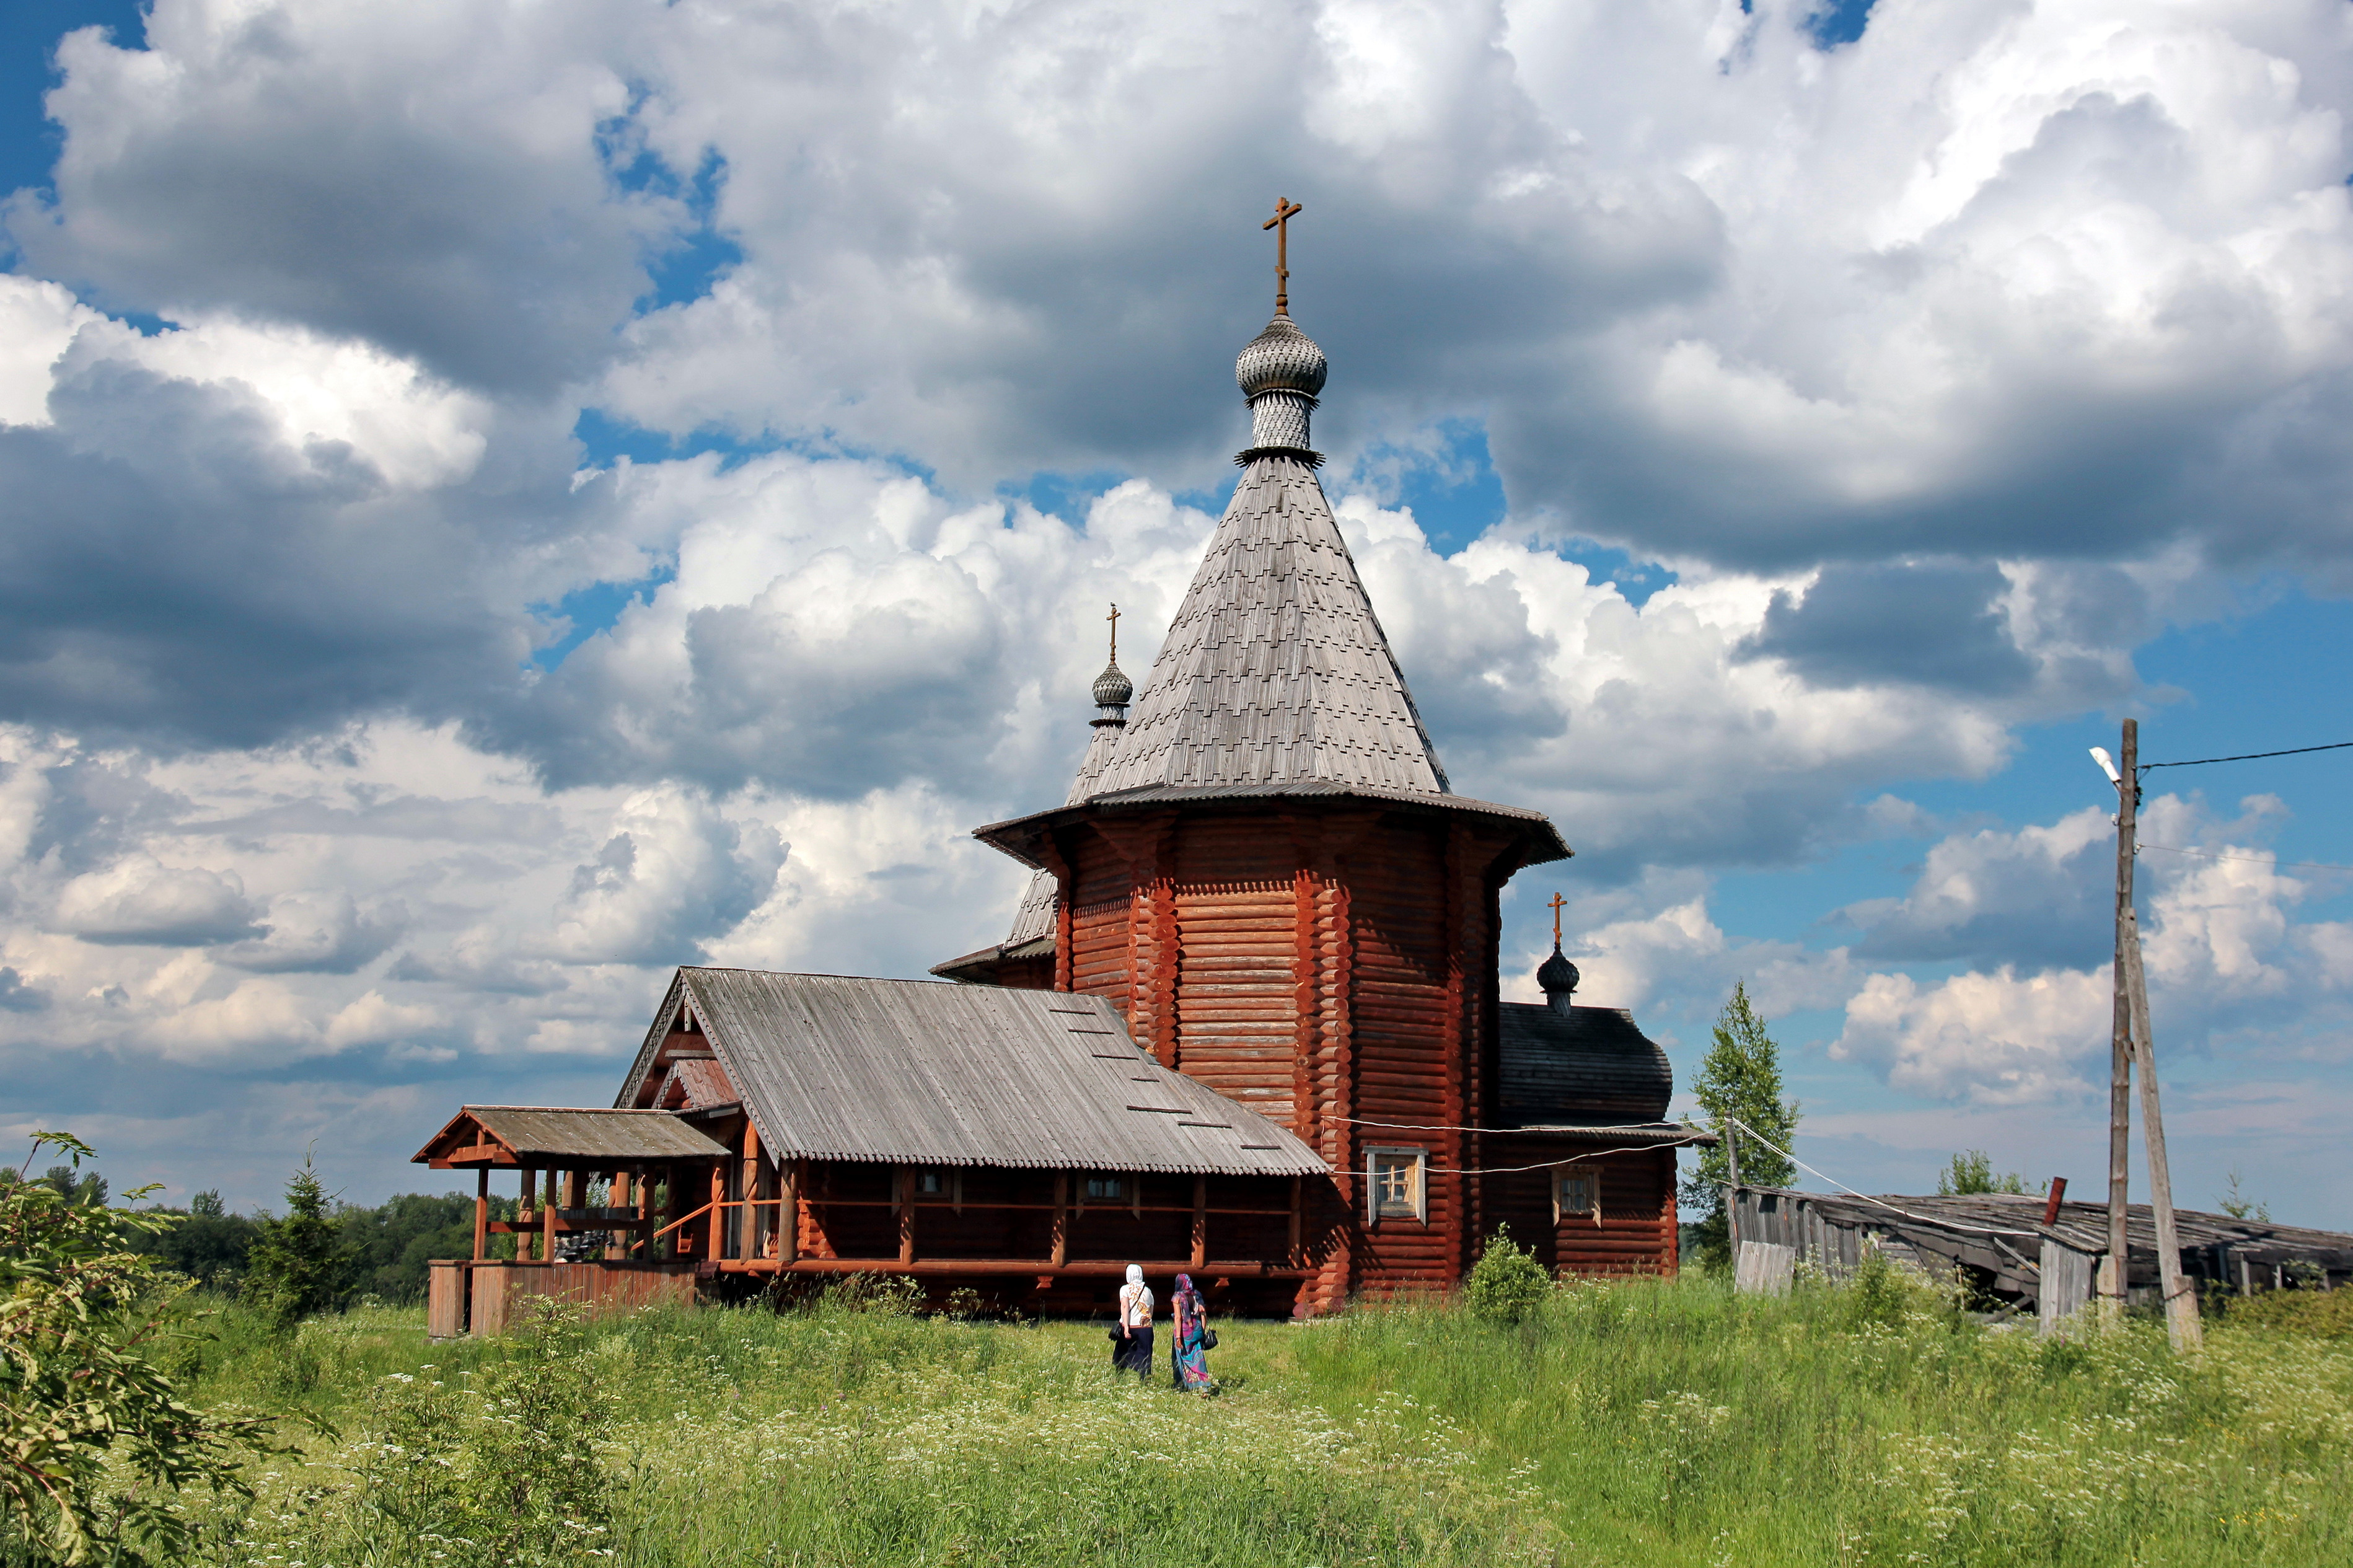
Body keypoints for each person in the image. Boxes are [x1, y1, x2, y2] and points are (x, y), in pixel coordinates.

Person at [1169, 1272, 1215, 1394]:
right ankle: (1204, 1386)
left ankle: (1183, 1385)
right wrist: (1202, 1330)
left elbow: (1178, 1318)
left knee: (1181, 1358)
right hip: (1197, 1330)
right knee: (1198, 1357)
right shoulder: (1197, 1295)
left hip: (1185, 1332)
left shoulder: (1177, 1297)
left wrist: (1178, 1338)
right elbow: (1203, 1313)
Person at [1113, 1263, 1153, 1379]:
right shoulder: (1148, 1291)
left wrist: (1126, 1327)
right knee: (1144, 1355)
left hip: (1131, 1326)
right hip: (1146, 1327)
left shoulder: (1125, 1289)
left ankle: (1119, 1378)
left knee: (1123, 1353)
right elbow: (1150, 1310)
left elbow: (1125, 1307)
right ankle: (1144, 1379)